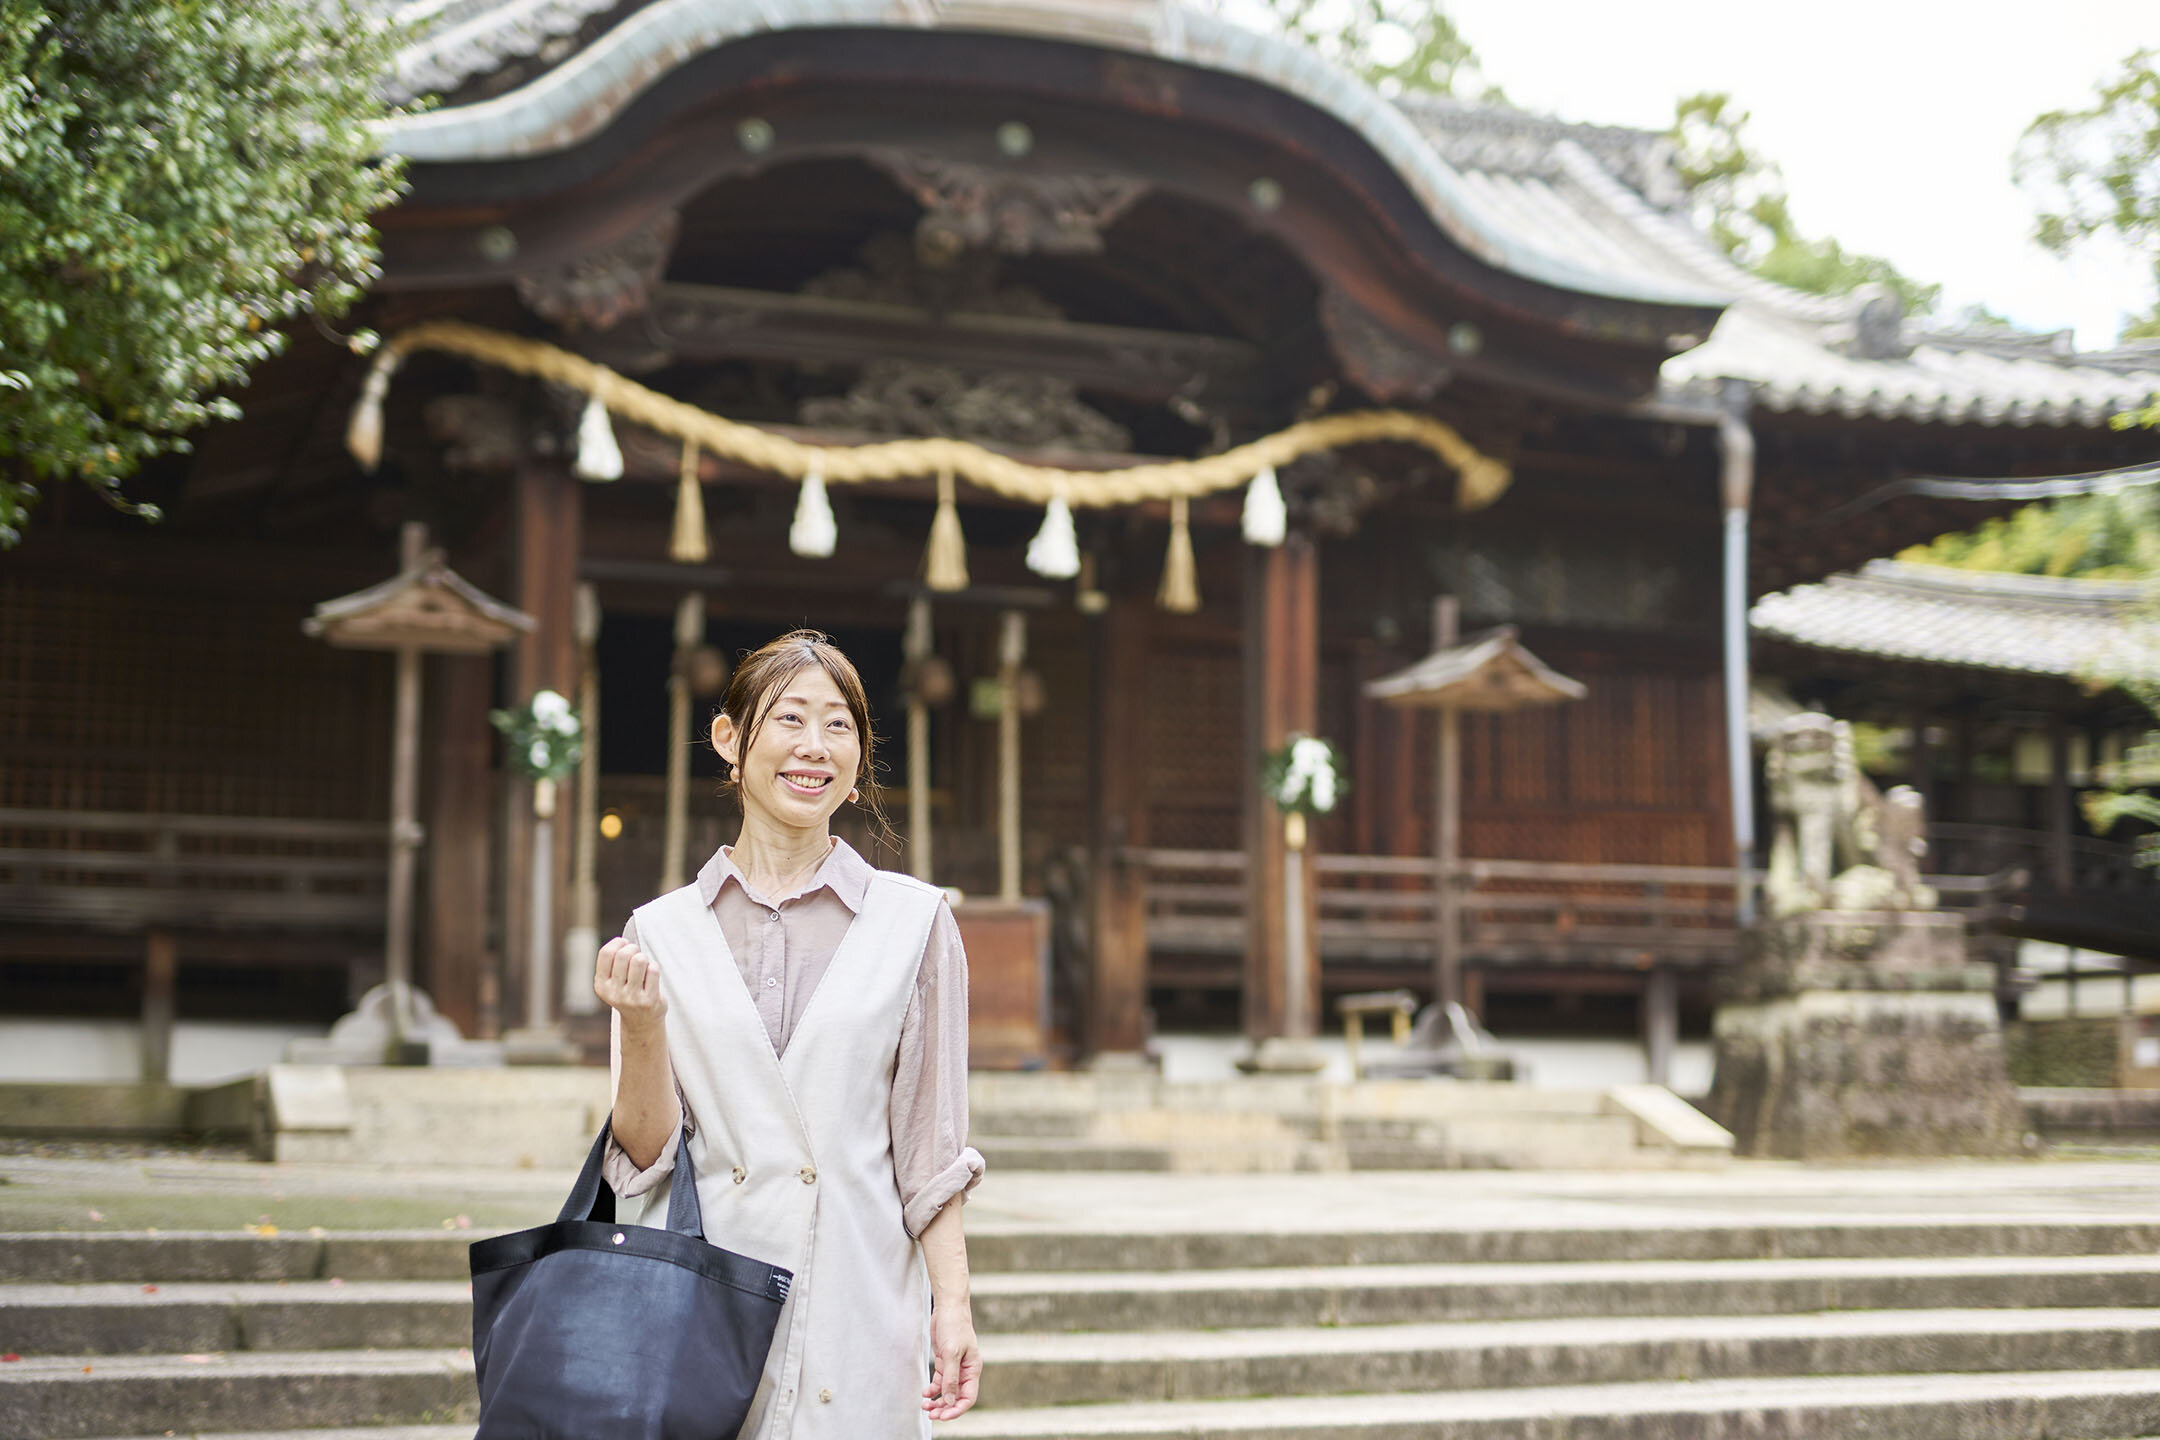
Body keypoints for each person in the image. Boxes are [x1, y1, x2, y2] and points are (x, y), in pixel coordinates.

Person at [593, 629, 984, 1437]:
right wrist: (640, 1029)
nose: (815, 747)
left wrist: (954, 1306)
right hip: (705, 1298)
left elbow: (930, 1149)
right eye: (791, 720)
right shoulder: (661, 931)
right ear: (731, 741)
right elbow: (642, 1158)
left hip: (860, 1296)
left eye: (840, 725)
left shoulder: (914, 923)